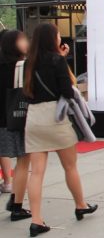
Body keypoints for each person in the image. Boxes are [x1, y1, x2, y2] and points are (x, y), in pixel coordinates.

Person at [23, 24, 97, 236]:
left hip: (34, 117)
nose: (59, 38)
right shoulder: (57, 61)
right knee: (70, 166)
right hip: (56, 117)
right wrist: (63, 61)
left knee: (36, 172)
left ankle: (36, 219)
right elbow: (67, 90)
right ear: (51, 39)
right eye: (56, 35)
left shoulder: (28, 62)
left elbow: (26, 92)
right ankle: (80, 205)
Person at [0, 30, 32, 221]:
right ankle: (17, 203)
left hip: (3, 119)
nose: (26, 42)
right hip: (15, 119)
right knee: (23, 160)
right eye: (23, 39)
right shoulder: (21, 65)